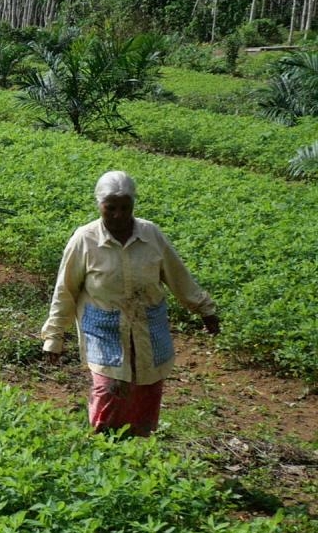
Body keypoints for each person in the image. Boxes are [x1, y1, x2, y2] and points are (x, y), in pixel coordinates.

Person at [41, 170, 220, 437]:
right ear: (99, 205)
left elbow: (178, 275)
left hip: (148, 327)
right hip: (104, 329)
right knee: (109, 388)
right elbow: (65, 290)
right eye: (110, 208)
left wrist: (204, 309)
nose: (118, 215)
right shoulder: (85, 239)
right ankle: (102, 445)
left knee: (147, 388)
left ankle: (138, 448)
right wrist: (54, 338)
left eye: (126, 208)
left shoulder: (151, 235)